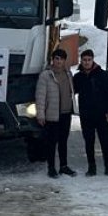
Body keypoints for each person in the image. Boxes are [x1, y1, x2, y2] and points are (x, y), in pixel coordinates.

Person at [72, 49, 108, 176]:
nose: (87, 62)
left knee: (106, 142)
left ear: (93, 60)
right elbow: (70, 92)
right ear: (81, 61)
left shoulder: (103, 75)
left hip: (102, 114)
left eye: (89, 60)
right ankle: (91, 168)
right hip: (86, 115)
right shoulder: (78, 77)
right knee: (89, 142)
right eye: (84, 60)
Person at [35, 49, 75, 178]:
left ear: (64, 61)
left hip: (65, 113)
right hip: (52, 114)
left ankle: (63, 166)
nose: (59, 61)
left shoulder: (68, 73)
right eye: (57, 58)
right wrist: (40, 114)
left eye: (61, 59)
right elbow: (40, 96)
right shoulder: (46, 75)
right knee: (51, 142)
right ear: (53, 60)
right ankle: (51, 167)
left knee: (63, 141)